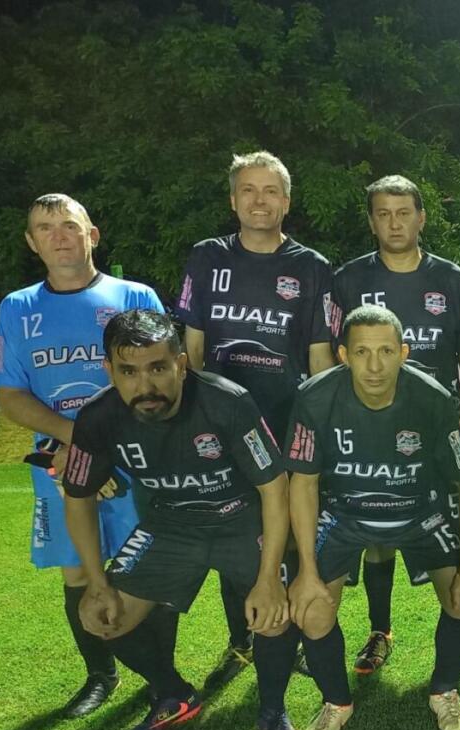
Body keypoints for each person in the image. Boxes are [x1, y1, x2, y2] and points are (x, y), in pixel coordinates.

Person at [60, 311, 292, 730]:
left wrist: (268, 579)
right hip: (170, 523)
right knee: (104, 618)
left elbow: (273, 488)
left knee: (274, 614)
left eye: (158, 368)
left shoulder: (228, 401)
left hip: (239, 518)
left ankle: (273, 711)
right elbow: (77, 498)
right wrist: (97, 581)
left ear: (181, 365)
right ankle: (173, 693)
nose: (145, 385)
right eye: (128, 371)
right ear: (109, 370)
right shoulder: (97, 418)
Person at [0, 193, 164, 718]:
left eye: (69, 225)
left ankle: (162, 677)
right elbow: (11, 395)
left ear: (92, 235)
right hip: (61, 462)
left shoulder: (134, 296)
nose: (59, 236)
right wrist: (79, 444)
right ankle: (100, 675)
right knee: (77, 574)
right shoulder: (17, 308)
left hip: (134, 461)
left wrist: (105, 448)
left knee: (148, 569)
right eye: (45, 228)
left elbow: (163, 380)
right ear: (32, 242)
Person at [284, 305, 460, 730]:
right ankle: (336, 702)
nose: (374, 365)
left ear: (403, 353)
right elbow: (303, 483)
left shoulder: (433, 398)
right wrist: (307, 571)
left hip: (420, 511)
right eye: (362, 352)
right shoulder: (315, 398)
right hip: (344, 514)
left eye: (386, 352)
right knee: (312, 608)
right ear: (343, 355)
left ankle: (444, 690)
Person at [173, 150, 335, 690]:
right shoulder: (206, 257)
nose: (259, 200)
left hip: (286, 422)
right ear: (233, 199)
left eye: (270, 191)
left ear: (286, 201)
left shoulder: (312, 267)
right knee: (236, 530)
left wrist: (320, 426)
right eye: (248, 189)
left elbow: (319, 356)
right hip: (221, 426)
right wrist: (193, 417)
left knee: (287, 533)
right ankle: (242, 636)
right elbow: (193, 347)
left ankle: (290, 634)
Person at [330, 175, 460, 677]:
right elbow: (333, 357)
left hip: (437, 432)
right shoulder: (348, 279)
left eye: (403, 213)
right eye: (383, 214)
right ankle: (380, 630)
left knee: (447, 529)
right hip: (370, 429)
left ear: (421, 217)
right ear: (371, 221)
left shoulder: (452, 278)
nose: (394, 223)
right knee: (378, 533)